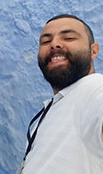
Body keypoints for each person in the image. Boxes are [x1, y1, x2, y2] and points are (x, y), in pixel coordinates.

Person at [19, 14, 102, 174]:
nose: (54, 44)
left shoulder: (95, 89)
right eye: (45, 41)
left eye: (69, 38)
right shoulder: (55, 104)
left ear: (93, 51)